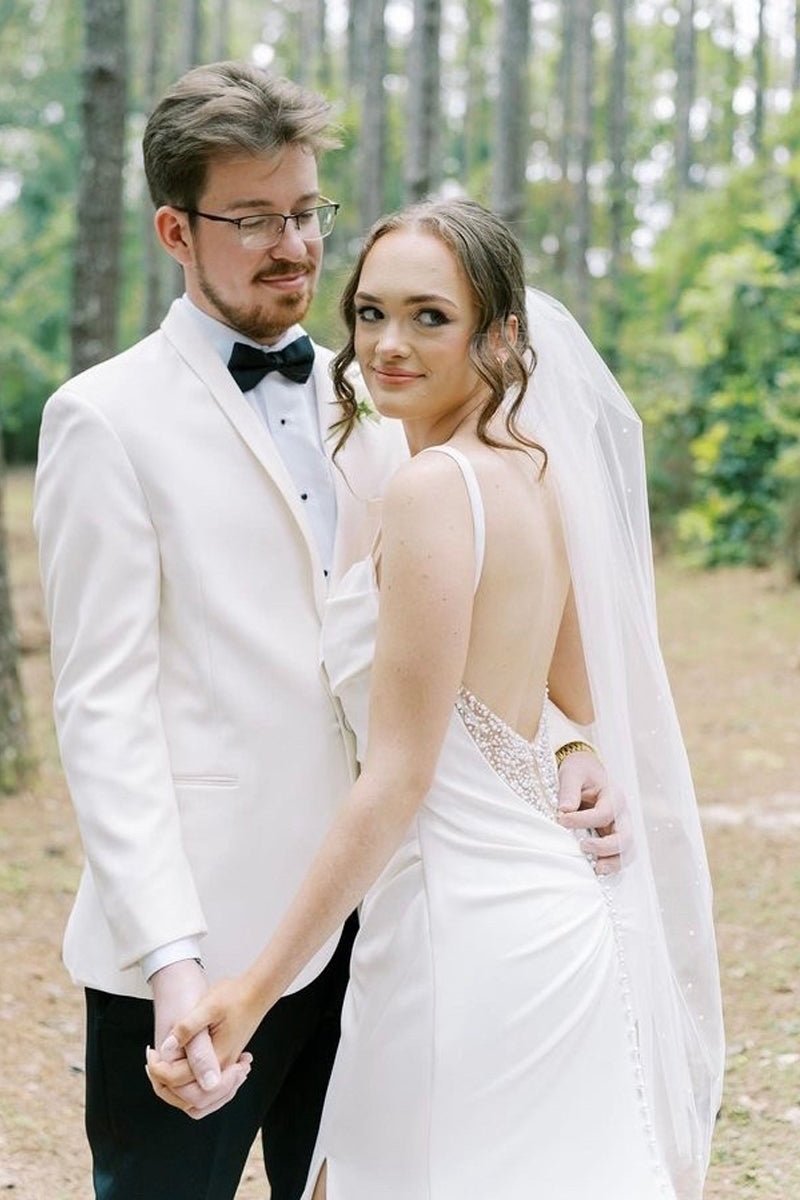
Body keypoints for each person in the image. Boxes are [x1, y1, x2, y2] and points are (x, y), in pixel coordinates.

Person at [33, 65, 618, 1200]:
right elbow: (102, 712)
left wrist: (569, 741)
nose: (294, 246)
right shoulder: (103, 419)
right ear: (175, 230)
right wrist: (172, 957)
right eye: (254, 219)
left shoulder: (387, 398)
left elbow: (463, 634)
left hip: (392, 926)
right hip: (204, 941)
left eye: (307, 212)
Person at [148, 199, 724, 1200]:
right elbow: (573, 695)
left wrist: (251, 990)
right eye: (370, 313)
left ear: (498, 334)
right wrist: (567, 751)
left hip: (456, 932)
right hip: (557, 917)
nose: (387, 344)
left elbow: (397, 778)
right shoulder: (535, 473)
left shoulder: (431, 491)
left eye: (429, 317)